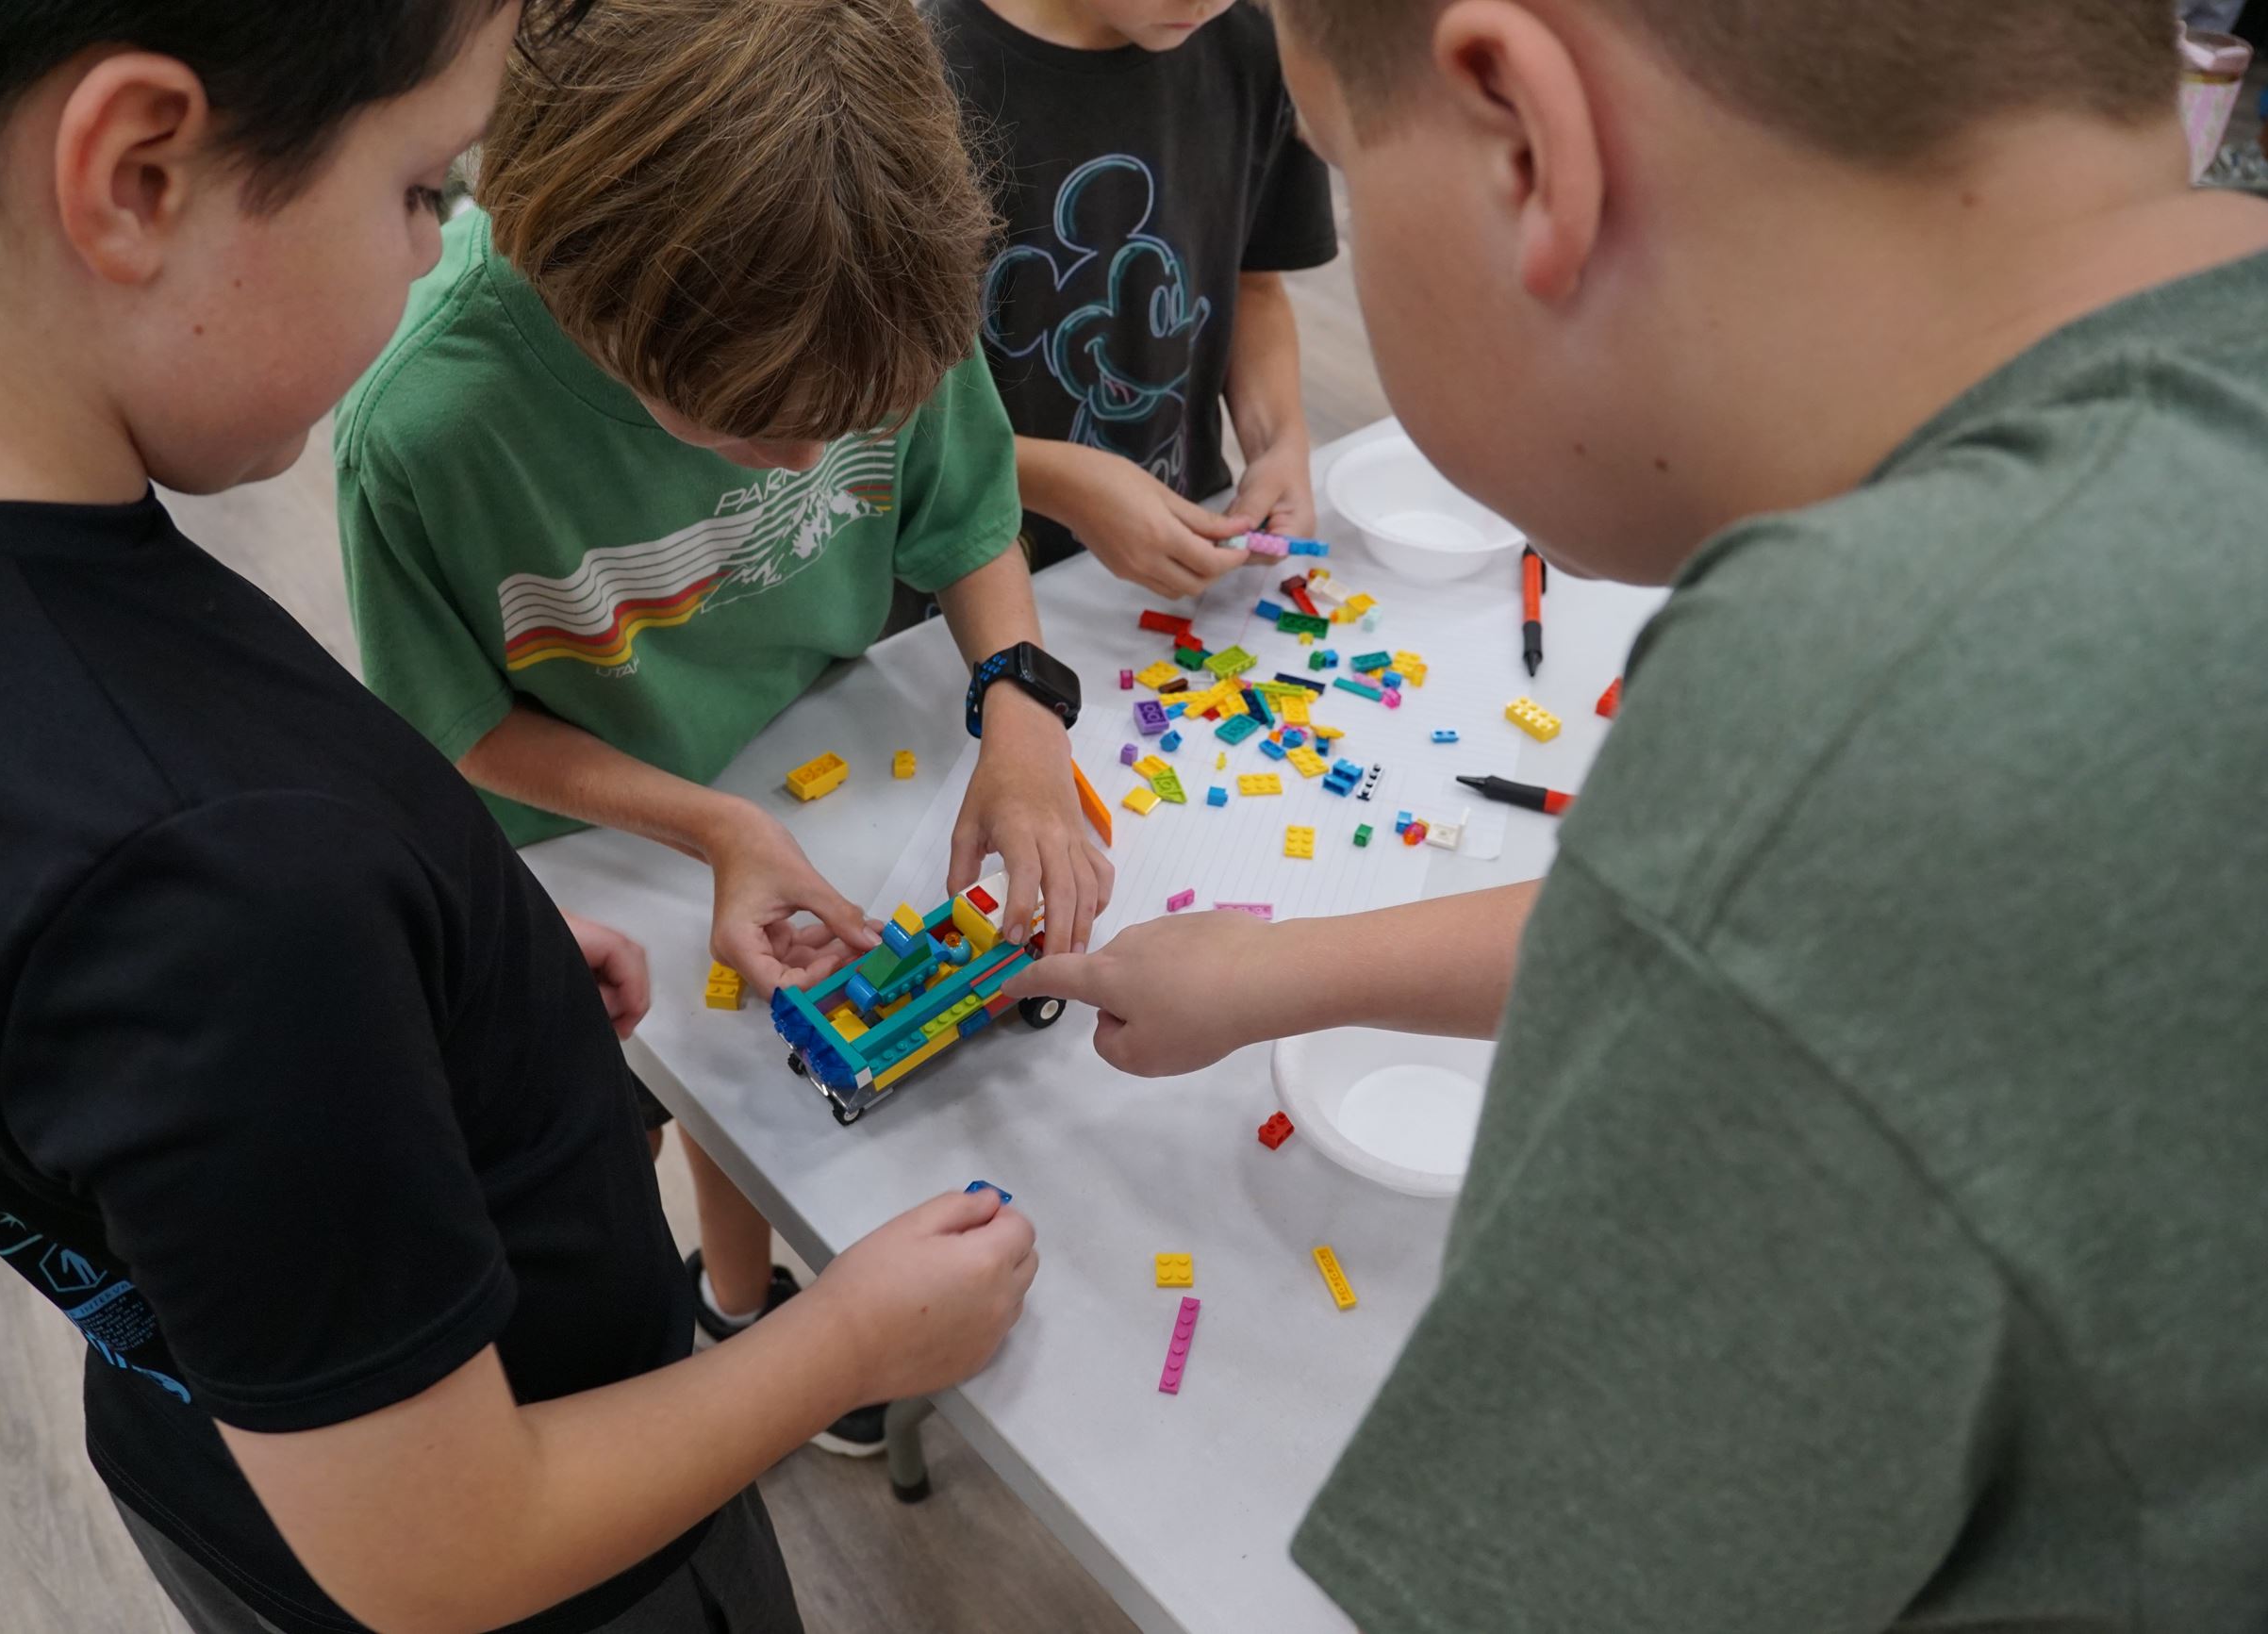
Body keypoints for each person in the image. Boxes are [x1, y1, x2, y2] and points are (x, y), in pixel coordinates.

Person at [1007, 0, 2268, 1626]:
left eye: (1343, 169)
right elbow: (1828, 942)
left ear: (1523, 139)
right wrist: (1276, 970)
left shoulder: (1849, 698)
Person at [0, 5, 1040, 1631]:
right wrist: (849, 1340)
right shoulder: (217, 888)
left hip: (228, 1436)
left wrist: (458, 978)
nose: (440, 254)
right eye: (422, 187)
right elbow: (449, 1547)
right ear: (136, 174)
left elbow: (120, 1064)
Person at [334, 0, 1107, 1453]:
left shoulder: (876, 276)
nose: (813, 459)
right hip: (589, 854)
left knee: (763, 1086)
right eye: (753, 431)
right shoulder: (427, 428)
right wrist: (713, 826)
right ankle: (714, 1312)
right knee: (626, 1113)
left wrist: (1022, 708)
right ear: (582, 299)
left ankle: (743, 1300)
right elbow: (460, 726)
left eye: (850, 423)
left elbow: (965, 517)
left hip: (826, 760)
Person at [927, 0, 1339, 599]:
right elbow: (874, 421)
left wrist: (1279, 443)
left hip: (1179, 554)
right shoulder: (920, 75)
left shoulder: (1254, 44)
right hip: (961, 586)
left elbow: (1254, 284)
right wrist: (1060, 483)